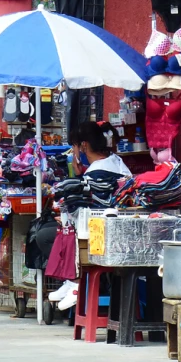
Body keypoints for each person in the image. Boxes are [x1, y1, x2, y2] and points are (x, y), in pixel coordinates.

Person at [48, 121, 131, 310]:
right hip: (119, 229)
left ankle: (75, 282)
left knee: (51, 233)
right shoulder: (116, 162)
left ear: (83, 146)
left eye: (74, 147)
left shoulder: (94, 173)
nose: (73, 151)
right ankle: (72, 282)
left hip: (99, 237)